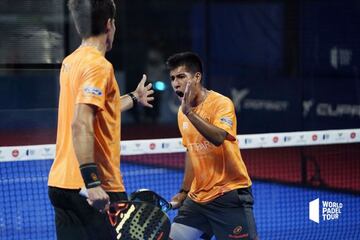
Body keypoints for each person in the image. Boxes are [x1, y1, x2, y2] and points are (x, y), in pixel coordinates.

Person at [47, 0, 154, 239]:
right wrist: (92, 182)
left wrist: (134, 98)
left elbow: (101, 109)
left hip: (61, 185)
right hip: (96, 188)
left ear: (78, 26)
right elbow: (81, 122)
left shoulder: (71, 62)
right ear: (110, 25)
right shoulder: (99, 66)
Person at [166, 52, 258, 240]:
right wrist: (184, 191)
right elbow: (191, 151)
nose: (176, 83)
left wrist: (190, 113)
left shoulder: (221, 104)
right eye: (173, 78)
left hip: (229, 194)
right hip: (197, 199)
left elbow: (218, 137)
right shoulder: (182, 113)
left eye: (181, 76)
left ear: (197, 77)